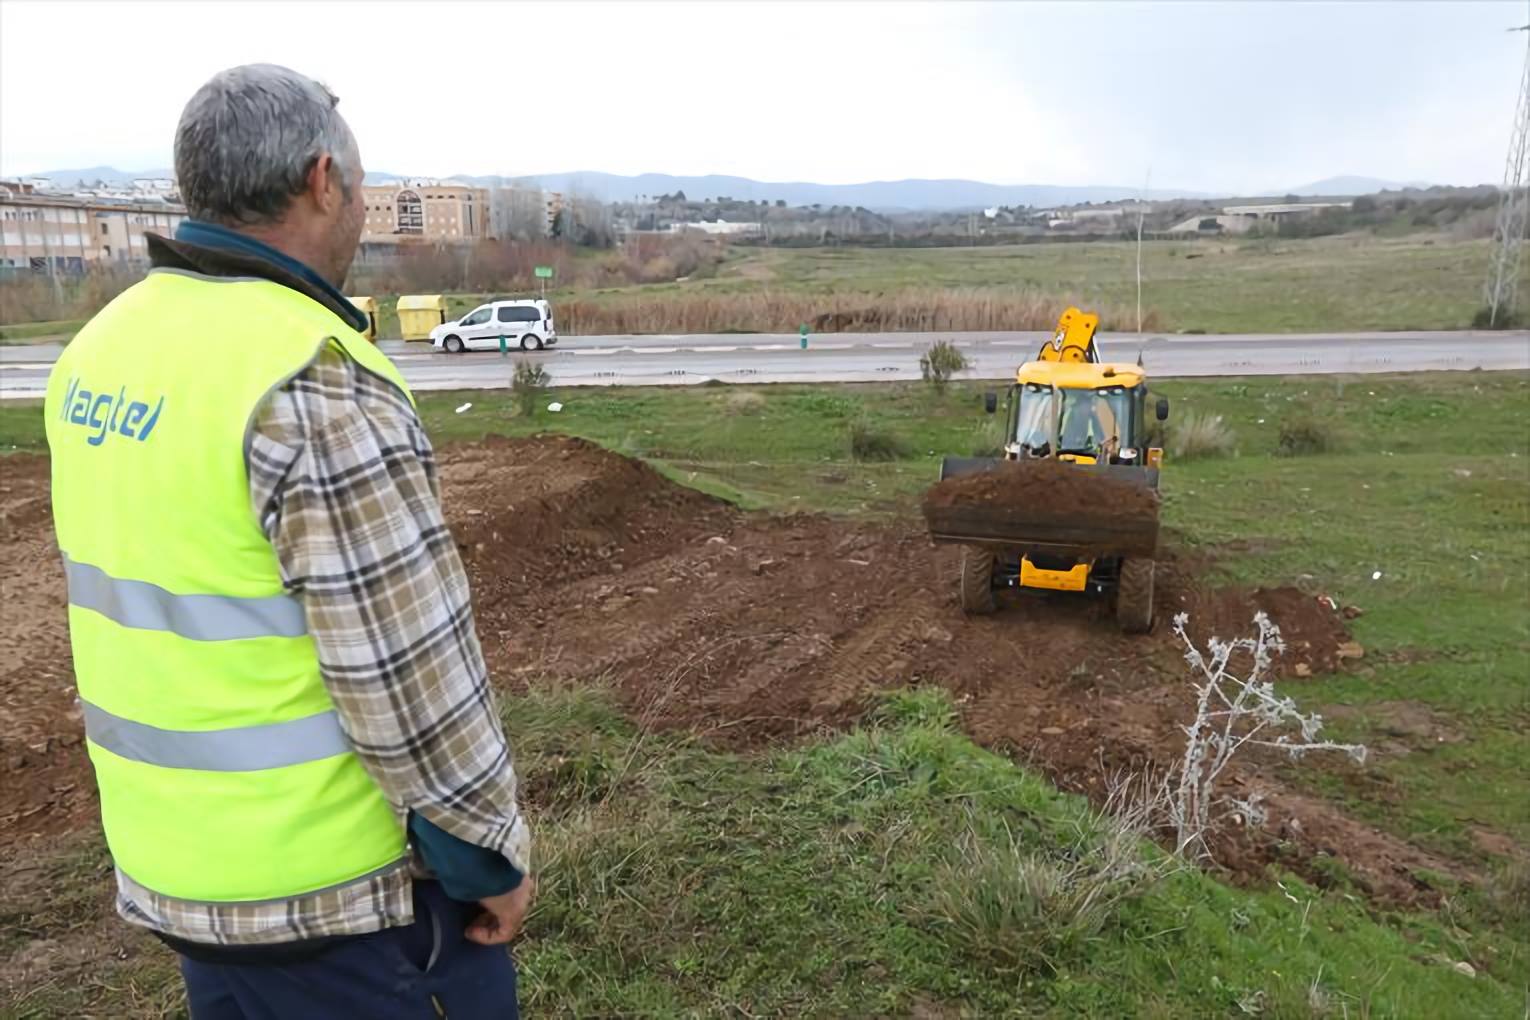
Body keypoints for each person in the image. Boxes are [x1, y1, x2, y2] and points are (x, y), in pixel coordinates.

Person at [44, 64, 532, 1019]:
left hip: (183, 875)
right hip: (344, 909)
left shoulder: (101, 349)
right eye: (359, 188)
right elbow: (405, 675)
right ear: (322, 181)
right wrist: (488, 855)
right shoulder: (308, 379)